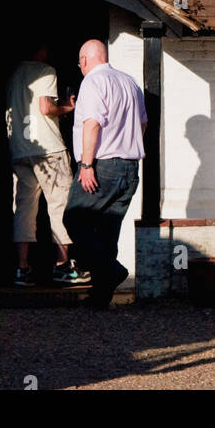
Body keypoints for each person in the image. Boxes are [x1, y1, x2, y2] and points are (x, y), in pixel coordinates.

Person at [63, 39, 147, 308]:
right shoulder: (129, 82)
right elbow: (142, 123)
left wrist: (87, 165)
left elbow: (92, 124)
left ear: (85, 60)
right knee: (108, 231)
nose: (80, 68)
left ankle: (112, 271)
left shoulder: (93, 81)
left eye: (79, 63)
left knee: (74, 219)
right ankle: (100, 297)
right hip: (130, 167)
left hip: (103, 166)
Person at [6, 39, 89, 287]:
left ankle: (22, 268)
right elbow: (46, 107)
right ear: (40, 49)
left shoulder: (14, 74)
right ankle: (64, 266)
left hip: (20, 150)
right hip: (49, 149)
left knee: (23, 208)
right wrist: (68, 106)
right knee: (59, 206)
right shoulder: (46, 71)